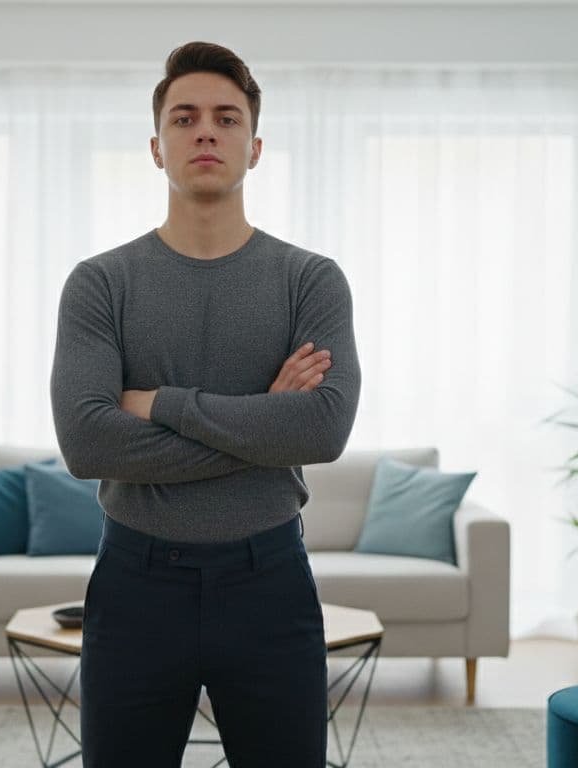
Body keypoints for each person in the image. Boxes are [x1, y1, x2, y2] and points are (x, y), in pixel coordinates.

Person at [49, 40, 361, 768]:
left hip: (269, 582)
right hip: (135, 585)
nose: (206, 133)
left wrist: (159, 403)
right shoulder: (100, 284)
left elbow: (322, 429)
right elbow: (87, 444)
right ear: (157, 148)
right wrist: (264, 421)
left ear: (255, 147)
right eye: (184, 119)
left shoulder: (311, 280)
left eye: (227, 119)